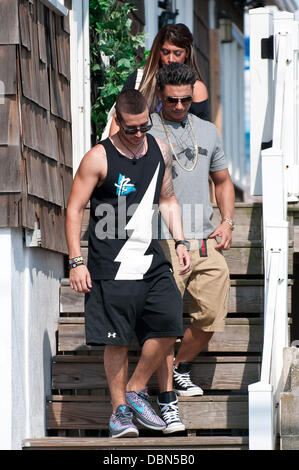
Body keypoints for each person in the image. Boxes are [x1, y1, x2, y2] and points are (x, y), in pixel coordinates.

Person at [65, 88, 191, 438]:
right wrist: (77, 261)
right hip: (110, 263)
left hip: (150, 258)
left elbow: (167, 199)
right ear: (116, 121)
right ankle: (119, 413)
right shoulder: (98, 157)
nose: (138, 134)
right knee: (116, 340)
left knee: (169, 320)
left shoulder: (160, 151)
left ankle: (136, 390)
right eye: (131, 128)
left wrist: (180, 240)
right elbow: (74, 209)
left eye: (144, 126)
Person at [148, 62, 235, 434]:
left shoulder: (208, 131)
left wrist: (228, 221)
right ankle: (166, 400)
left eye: (186, 100)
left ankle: (180, 367)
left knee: (213, 312)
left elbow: (223, 180)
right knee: (166, 322)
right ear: (160, 95)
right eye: (172, 101)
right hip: (162, 238)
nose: (180, 107)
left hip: (203, 239)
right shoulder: (144, 129)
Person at [107, 23, 209, 138]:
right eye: (165, 52)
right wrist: (113, 153)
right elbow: (118, 119)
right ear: (158, 51)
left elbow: (202, 133)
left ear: (187, 53)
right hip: (141, 150)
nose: (171, 59)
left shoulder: (197, 88)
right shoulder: (141, 79)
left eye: (177, 53)